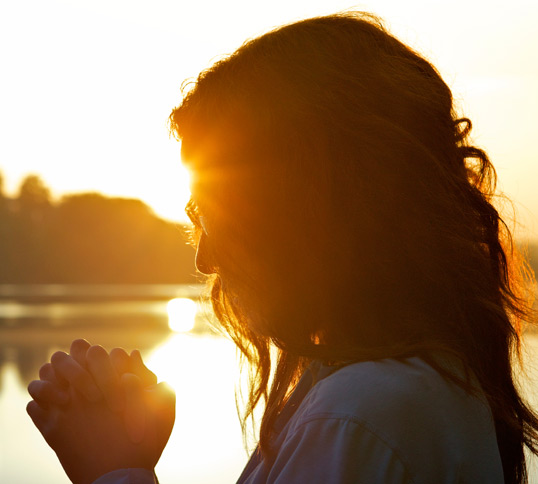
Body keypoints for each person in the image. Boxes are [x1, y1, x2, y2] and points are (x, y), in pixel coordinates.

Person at [26, 11, 538, 484]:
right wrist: (132, 462)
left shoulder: (356, 416)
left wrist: (113, 470)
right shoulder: (412, 385)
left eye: (215, 213)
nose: (205, 258)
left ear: (301, 211)